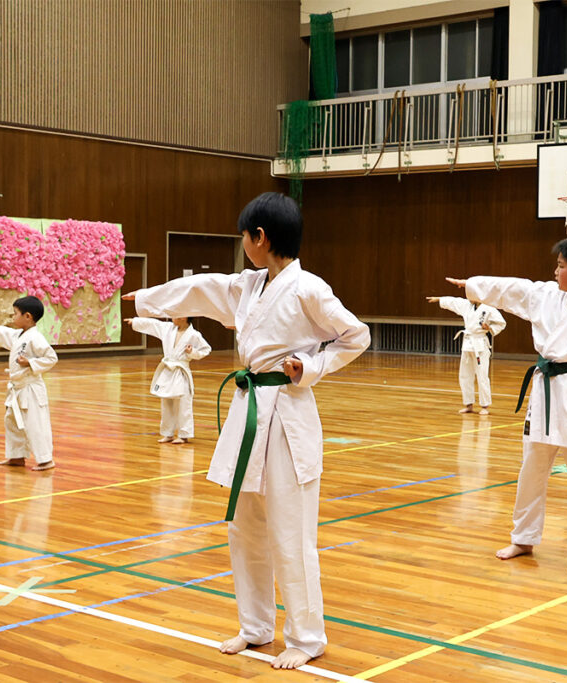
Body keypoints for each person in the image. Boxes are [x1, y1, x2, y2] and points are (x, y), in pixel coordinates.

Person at [123, 192, 369, 670]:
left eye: (244, 236)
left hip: (289, 412)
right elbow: (202, 290)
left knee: (291, 531)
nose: (242, 245)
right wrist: (150, 298)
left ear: (261, 237)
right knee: (245, 526)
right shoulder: (249, 285)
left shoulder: (308, 289)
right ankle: (255, 627)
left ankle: (306, 636)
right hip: (250, 408)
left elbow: (355, 335)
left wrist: (311, 366)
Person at [446, 235, 567, 571]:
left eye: (561, 266)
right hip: (545, 392)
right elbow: (510, 289)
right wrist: (473, 286)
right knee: (531, 469)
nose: (555, 271)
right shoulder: (546, 295)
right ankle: (523, 537)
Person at [0, 295, 58, 471]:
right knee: (12, 421)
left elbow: (51, 358)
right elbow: (6, 334)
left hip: (30, 387)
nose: (13, 317)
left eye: (15, 313)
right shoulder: (20, 335)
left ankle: (45, 459)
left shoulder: (36, 338)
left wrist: (30, 362)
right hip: (17, 388)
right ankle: (16, 456)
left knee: (35, 423)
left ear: (27, 316)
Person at [125, 316, 211, 444]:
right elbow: (153, 324)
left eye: (175, 315)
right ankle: (168, 433)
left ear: (184, 317)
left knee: (183, 403)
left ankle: (184, 434)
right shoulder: (168, 329)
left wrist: (192, 352)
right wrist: (136, 321)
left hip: (181, 371)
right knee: (166, 402)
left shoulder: (194, 334)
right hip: (168, 371)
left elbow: (206, 349)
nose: (171, 318)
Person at [426, 295, 506, 414]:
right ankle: (469, 405)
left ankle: (485, 406)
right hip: (467, 343)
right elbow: (453, 302)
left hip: (480, 345)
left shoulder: (489, 308)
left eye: (471, 295)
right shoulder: (466, 305)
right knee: (465, 375)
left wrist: (489, 328)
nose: (469, 298)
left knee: (482, 376)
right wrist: (439, 299)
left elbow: (501, 323)